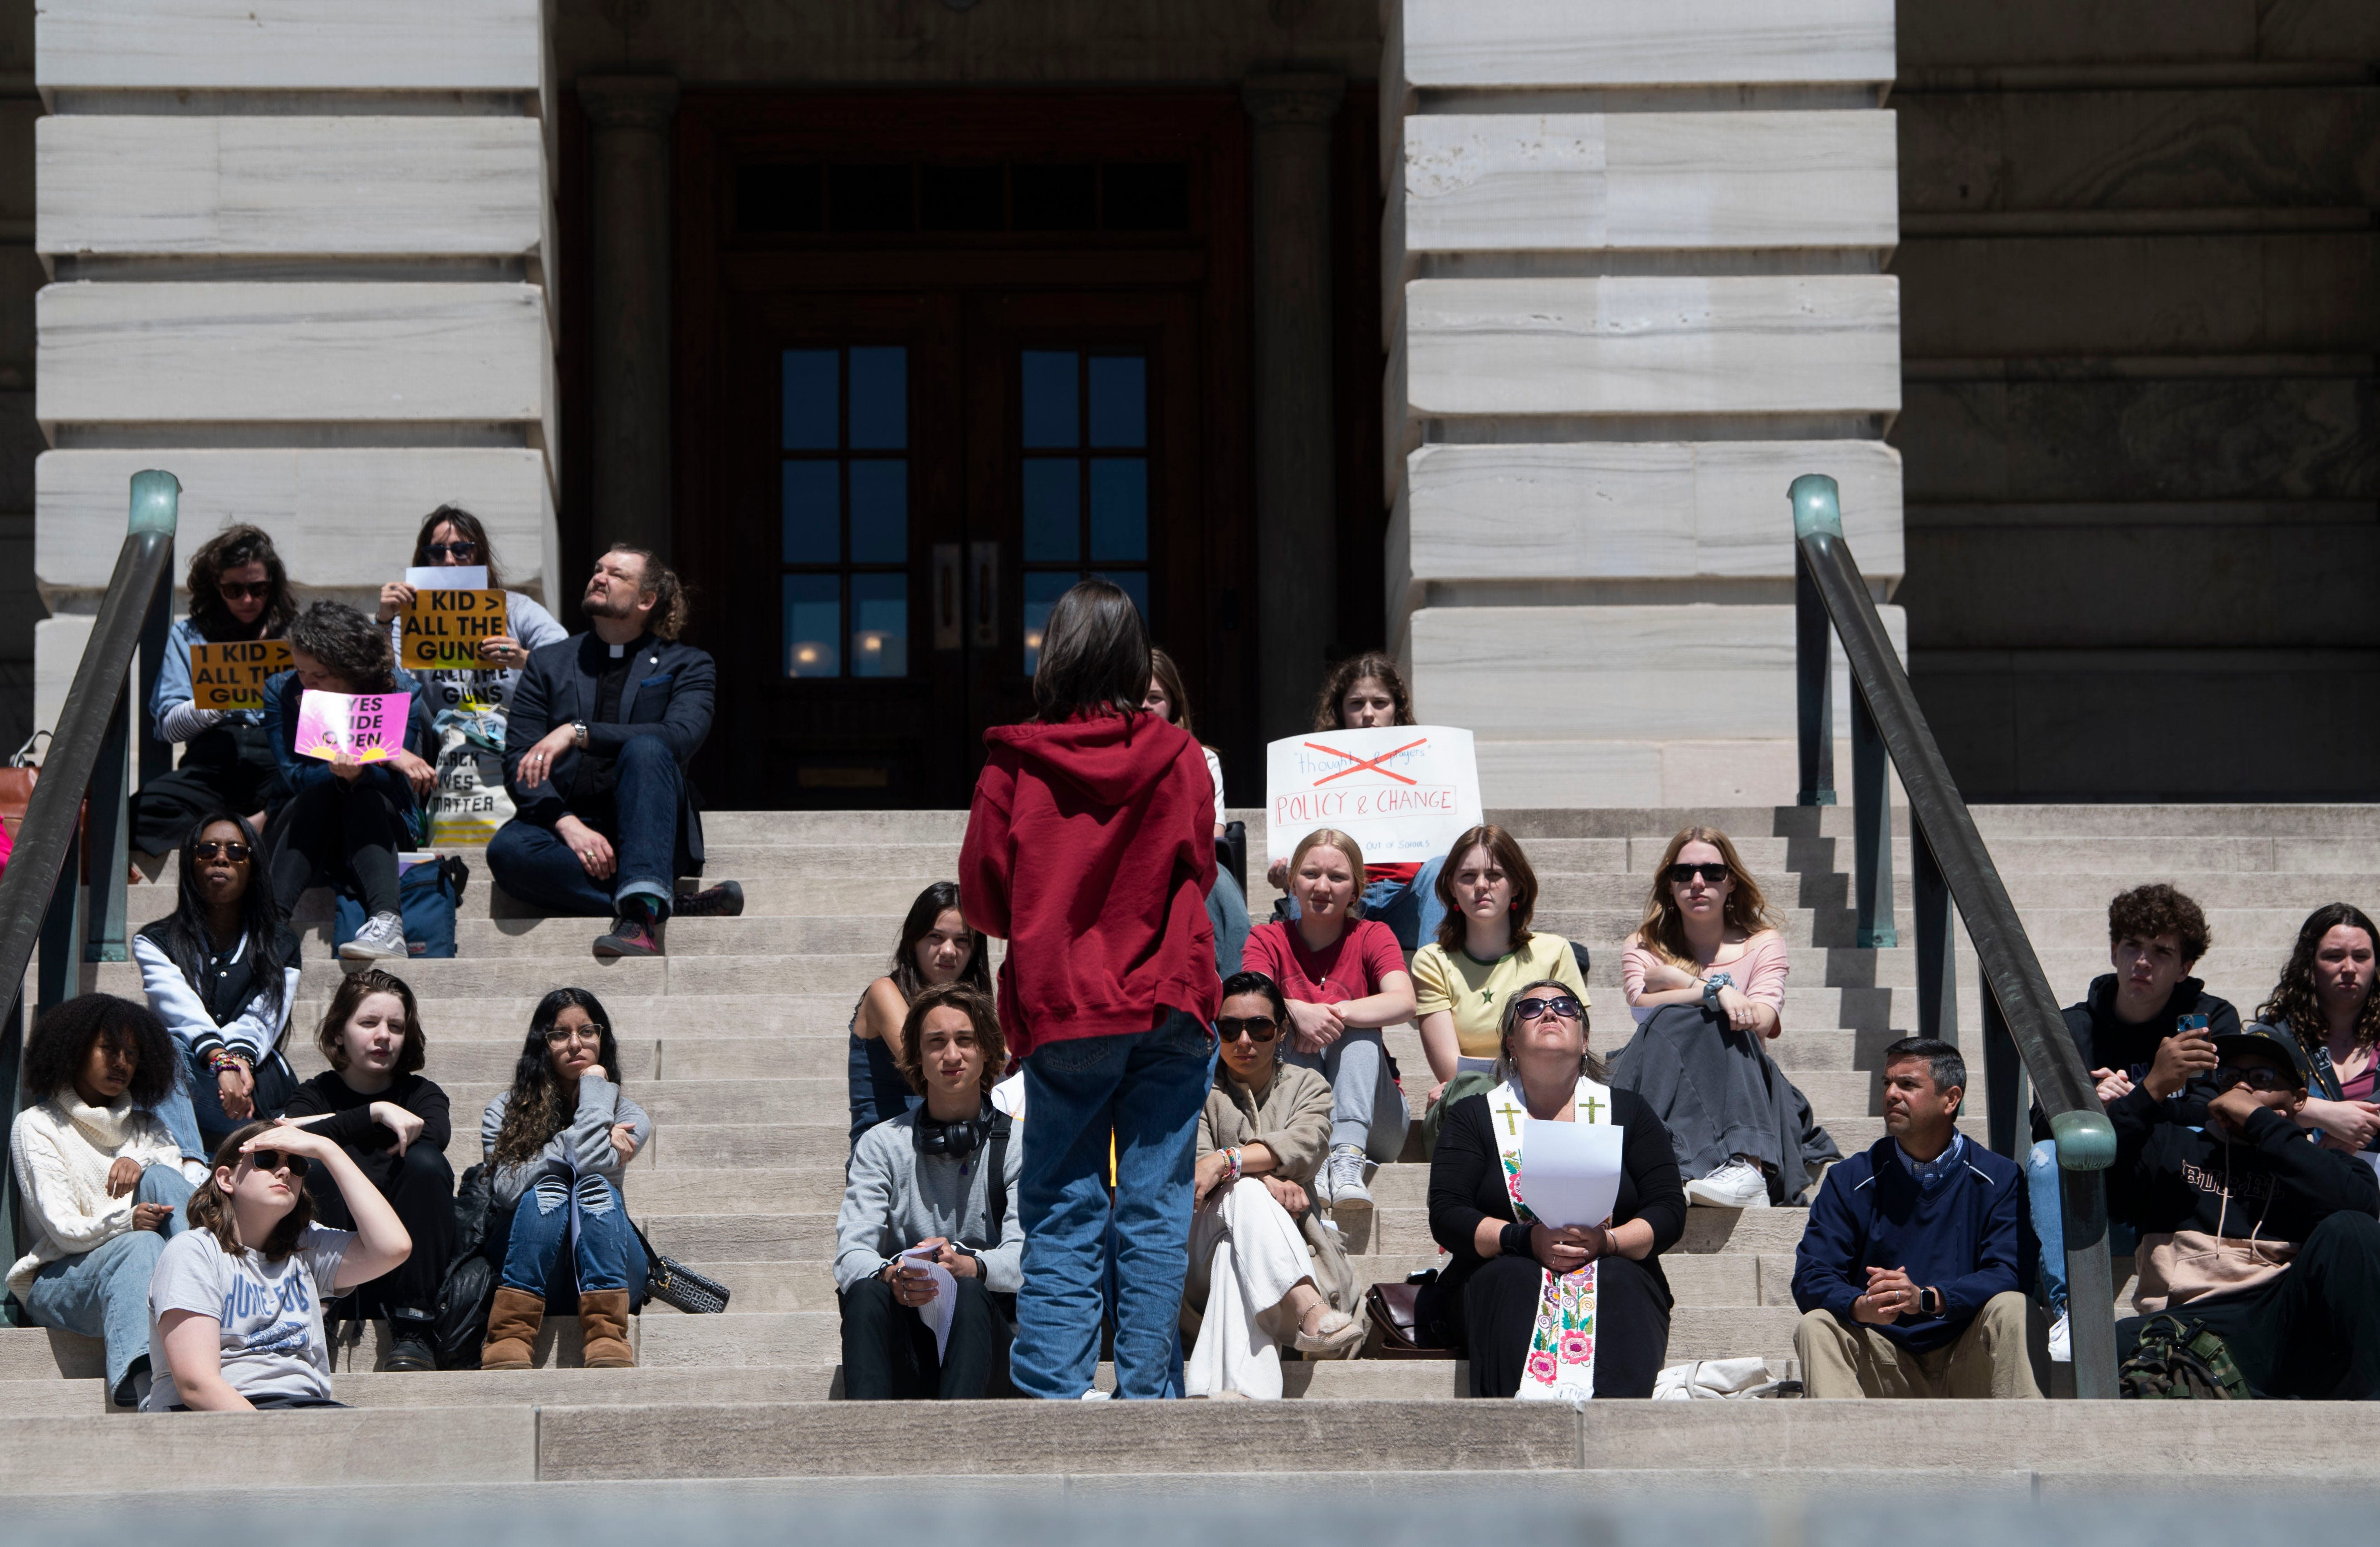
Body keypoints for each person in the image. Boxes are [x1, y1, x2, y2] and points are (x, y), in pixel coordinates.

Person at [956, 576, 1220, 1401]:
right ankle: (1148, 1391)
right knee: (1155, 1210)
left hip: (1067, 1007)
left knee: (1064, 1207)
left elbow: (982, 900)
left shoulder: (1014, 759)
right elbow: (1201, 865)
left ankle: (1052, 1391)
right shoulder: (1178, 755)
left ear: (1056, 652)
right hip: (1170, 996)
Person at [1419, 979, 1685, 1399]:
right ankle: (1524, 1439)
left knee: (1619, 1279)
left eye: (1565, 1006)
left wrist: (1608, 1241)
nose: (1549, 1012)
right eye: (1531, 1009)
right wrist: (1524, 1239)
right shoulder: (1473, 1115)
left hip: (1615, 1267)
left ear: (1585, 1039)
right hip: (1500, 1275)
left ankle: (1616, 1436)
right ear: (1510, 1042)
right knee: (1513, 1275)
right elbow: (1448, 1213)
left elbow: (1669, 1208)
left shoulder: (1629, 1112)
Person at [488, 545, 744, 959]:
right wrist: (568, 824)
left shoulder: (689, 664)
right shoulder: (549, 662)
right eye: (597, 569)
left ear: (646, 600)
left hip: (650, 827)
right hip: (569, 827)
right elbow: (521, 756)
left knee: (647, 747)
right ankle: (656, 902)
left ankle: (644, 907)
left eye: (617, 574)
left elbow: (680, 735)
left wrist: (578, 732)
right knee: (508, 852)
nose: (599, 577)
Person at [2107, 1024, 2380, 1399]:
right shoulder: (2170, 1144)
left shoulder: (2326, 1166)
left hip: (2282, 1325)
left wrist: (2261, 1123)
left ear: (2298, 1099)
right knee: (2117, 1340)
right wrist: (2150, 1090)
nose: (2243, 1087)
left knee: (2352, 1228)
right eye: (2231, 1076)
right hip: (2191, 1321)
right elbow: (2102, 1183)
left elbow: (2360, 1210)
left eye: (2262, 1078)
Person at [2030, 883, 2239, 1357]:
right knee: (2046, 1157)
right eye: (2131, 947)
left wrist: (2135, 1101)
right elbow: (2040, 1127)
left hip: (2167, 1193)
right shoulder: (2073, 1027)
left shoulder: (2206, 1020)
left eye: (2160, 952)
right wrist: (2090, 1110)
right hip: (2101, 1196)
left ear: (2184, 967)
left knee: (2188, 1137)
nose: (2141, 962)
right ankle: (2072, 1310)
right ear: (2113, 951)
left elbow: (2212, 1113)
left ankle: (2184, 1298)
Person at [1792, 1037, 2041, 1400]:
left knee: (2016, 1307)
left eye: (1907, 1084)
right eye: (1887, 1083)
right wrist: (1861, 1305)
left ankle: (2029, 1449)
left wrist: (1928, 1298)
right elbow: (1812, 1275)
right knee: (1817, 1326)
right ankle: (1843, 1453)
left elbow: (2010, 1271)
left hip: (1968, 1359)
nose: (1892, 1093)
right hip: (1884, 1362)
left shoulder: (1999, 1177)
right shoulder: (1849, 1178)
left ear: (1951, 1099)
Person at [1612, 825, 1836, 1209]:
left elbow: (1761, 1019)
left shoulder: (1762, 943)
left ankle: (1746, 1164)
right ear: (1669, 884)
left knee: (1718, 1018)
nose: (1698, 883)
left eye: (1712, 872)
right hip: (1667, 1073)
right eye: (1683, 873)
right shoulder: (1642, 944)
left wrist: (1685, 982)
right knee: (1683, 1016)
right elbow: (1640, 1006)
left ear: (1731, 881)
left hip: (1744, 1084)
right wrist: (1716, 991)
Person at [835, 983, 1023, 1400]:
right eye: (936, 1043)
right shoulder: (880, 1144)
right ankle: (865, 1441)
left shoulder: (1020, 1145)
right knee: (866, 1290)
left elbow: (1027, 1257)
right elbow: (851, 1254)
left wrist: (969, 1265)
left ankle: (956, 1443)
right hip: (908, 1345)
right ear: (917, 1058)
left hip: (991, 1346)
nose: (952, 1055)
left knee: (970, 1289)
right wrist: (892, 1274)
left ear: (988, 1052)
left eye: (966, 1040)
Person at [143, 1119, 412, 1410]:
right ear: (225, 1179)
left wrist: (328, 1149)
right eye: (266, 1159)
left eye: (296, 1165)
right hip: (218, 1417)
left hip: (305, 1408)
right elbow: (197, 1386)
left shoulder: (306, 1248)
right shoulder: (194, 1252)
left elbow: (393, 1248)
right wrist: (275, 1439)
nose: (284, 1171)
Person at [7, 996, 194, 1408]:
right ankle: (150, 1392)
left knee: (161, 1178)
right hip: (61, 1279)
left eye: (132, 1053)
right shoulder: (38, 1126)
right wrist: (127, 1221)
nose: (122, 1062)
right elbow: (63, 1229)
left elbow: (174, 1192)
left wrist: (137, 1160)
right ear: (75, 1048)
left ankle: (210, 1297)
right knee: (141, 1244)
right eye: (109, 1049)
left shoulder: (150, 1127)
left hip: (150, 1268)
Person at [1184, 971, 1364, 1398]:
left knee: (1236, 1251)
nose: (1244, 1040)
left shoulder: (1309, 1086)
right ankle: (1308, 1305)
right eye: (1230, 1029)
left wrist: (1228, 1160)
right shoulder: (1198, 1094)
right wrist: (1263, 1178)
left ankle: (1238, 1391)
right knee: (1242, 1195)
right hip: (1200, 1258)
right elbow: (1196, 1173)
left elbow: (1306, 1143)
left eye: (1260, 1028)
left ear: (1282, 1031)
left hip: (1297, 1246)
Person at [279, 968, 455, 1372]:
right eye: (368, 1022)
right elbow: (286, 1136)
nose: (383, 1036)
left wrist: (342, 1124)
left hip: (406, 1264)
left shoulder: (422, 1095)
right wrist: (376, 1113)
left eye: (396, 1026)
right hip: (334, 1268)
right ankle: (315, 1314)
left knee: (426, 1165)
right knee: (315, 1167)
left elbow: (434, 1138)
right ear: (340, 1033)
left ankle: (415, 1325)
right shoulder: (314, 1093)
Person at [1242, 828, 1415, 1211]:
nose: (1322, 886)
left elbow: (1405, 1001)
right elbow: (1251, 1006)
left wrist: (1329, 1013)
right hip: (1291, 1116)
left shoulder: (1373, 934)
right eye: (1310, 874)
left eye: (1337, 877)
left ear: (1356, 889)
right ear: (1292, 882)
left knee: (1357, 1026)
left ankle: (1347, 1155)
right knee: (1280, 1027)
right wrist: (1296, 1013)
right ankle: (1315, 1152)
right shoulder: (1266, 938)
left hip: (1378, 1123)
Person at [478, 987, 651, 1371]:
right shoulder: (502, 1111)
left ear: (602, 1039)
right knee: (550, 1187)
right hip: (533, 1261)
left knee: (595, 1185)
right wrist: (572, 1140)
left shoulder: (631, 1115)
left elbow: (590, 1163)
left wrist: (593, 1090)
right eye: (560, 1034)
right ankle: (510, 1334)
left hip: (612, 1266)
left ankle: (607, 1332)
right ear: (544, 1043)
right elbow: (506, 1189)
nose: (576, 1043)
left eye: (587, 1031)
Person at [261, 600, 438, 961]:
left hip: (380, 820)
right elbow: (294, 776)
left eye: (319, 675)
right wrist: (349, 764)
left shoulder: (399, 688)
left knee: (360, 794)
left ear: (353, 670)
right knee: (322, 793)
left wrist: (362, 768)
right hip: (308, 823)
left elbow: (393, 783)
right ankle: (268, 927)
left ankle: (387, 922)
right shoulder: (282, 689)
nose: (305, 683)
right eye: (299, 671)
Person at [132, 812, 303, 1160]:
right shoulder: (155, 941)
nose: (221, 858)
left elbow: (263, 1019)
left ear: (252, 865)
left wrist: (237, 1060)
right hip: (194, 1082)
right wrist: (221, 1061)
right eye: (207, 849)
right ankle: (192, 1162)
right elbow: (180, 1010)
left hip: (256, 1090)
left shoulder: (281, 943)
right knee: (164, 1044)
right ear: (191, 863)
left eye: (236, 851)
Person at [1411, 824, 1591, 1146]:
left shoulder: (1554, 952)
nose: (1481, 885)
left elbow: (1570, 1050)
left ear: (1517, 886)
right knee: (1472, 1090)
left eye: (1494, 875)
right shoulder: (1431, 961)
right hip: (1466, 1115)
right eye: (1468, 876)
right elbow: (1451, 1070)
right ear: (1452, 887)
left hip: (1545, 1105)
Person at [130, 524, 299, 856]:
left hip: (276, 760)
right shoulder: (190, 635)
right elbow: (167, 726)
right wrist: (217, 702)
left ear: (273, 586)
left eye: (258, 588)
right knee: (135, 812)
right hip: (212, 763)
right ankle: (233, 830)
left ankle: (235, 827)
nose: (248, 600)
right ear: (216, 588)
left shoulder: (294, 635)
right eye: (234, 590)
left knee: (314, 795)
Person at [1264, 651, 1447, 951]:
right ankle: (1301, 988)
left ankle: (1434, 988)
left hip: (1407, 902)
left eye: (1380, 703)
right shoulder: (1309, 772)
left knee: (1440, 869)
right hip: (1341, 900)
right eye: (1356, 703)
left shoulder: (1430, 766)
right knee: (1305, 884)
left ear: (1396, 710)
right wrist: (1289, 874)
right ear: (1341, 711)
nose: (1368, 714)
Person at [375, 503, 569, 721]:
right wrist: (384, 621)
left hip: (511, 734)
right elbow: (385, 682)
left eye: (461, 550)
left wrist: (522, 658)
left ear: (479, 554)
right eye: (436, 553)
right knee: (406, 702)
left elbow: (566, 665)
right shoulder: (409, 620)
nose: (449, 561)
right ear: (426, 561)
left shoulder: (518, 609)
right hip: (438, 740)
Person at [848, 882, 992, 1152]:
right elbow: (928, 1069)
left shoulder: (972, 1005)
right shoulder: (884, 993)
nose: (949, 951)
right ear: (913, 941)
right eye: (936, 937)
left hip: (958, 1143)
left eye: (962, 941)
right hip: (888, 1153)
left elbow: (1001, 1065)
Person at [1146, 646, 1249, 978]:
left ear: (1174, 702)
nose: (1144, 705)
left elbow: (1213, 836)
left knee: (1212, 880)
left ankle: (1234, 994)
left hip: (1191, 864)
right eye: (1134, 695)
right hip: (1135, 870)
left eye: (1154, 696)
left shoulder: (1203, 759)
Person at [2251, 902, 2380, 1151]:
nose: (2350, 969)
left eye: (2361, 957)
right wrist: (2327, 1115)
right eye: (2334, 956)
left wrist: (2353, 1131)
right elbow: (2247, 1097)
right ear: (2309, 964)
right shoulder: (2277, 1031)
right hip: (2303, 1178)